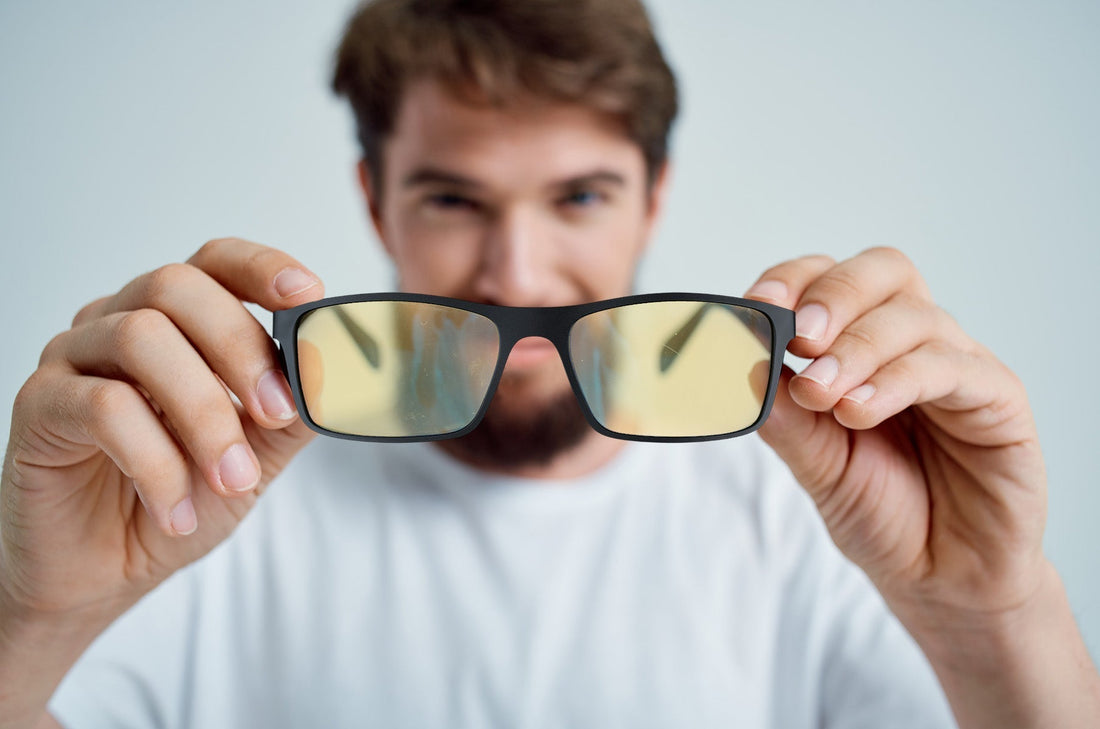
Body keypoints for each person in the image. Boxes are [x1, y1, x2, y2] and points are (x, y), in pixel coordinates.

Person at [1, 0, 1098, 726]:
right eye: (452, 199)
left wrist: (992, 619)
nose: (517, 272)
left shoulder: (822, 514)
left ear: (652, 198)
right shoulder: (195, 496)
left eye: (577, 196)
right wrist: (30, 616)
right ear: (374, 200)